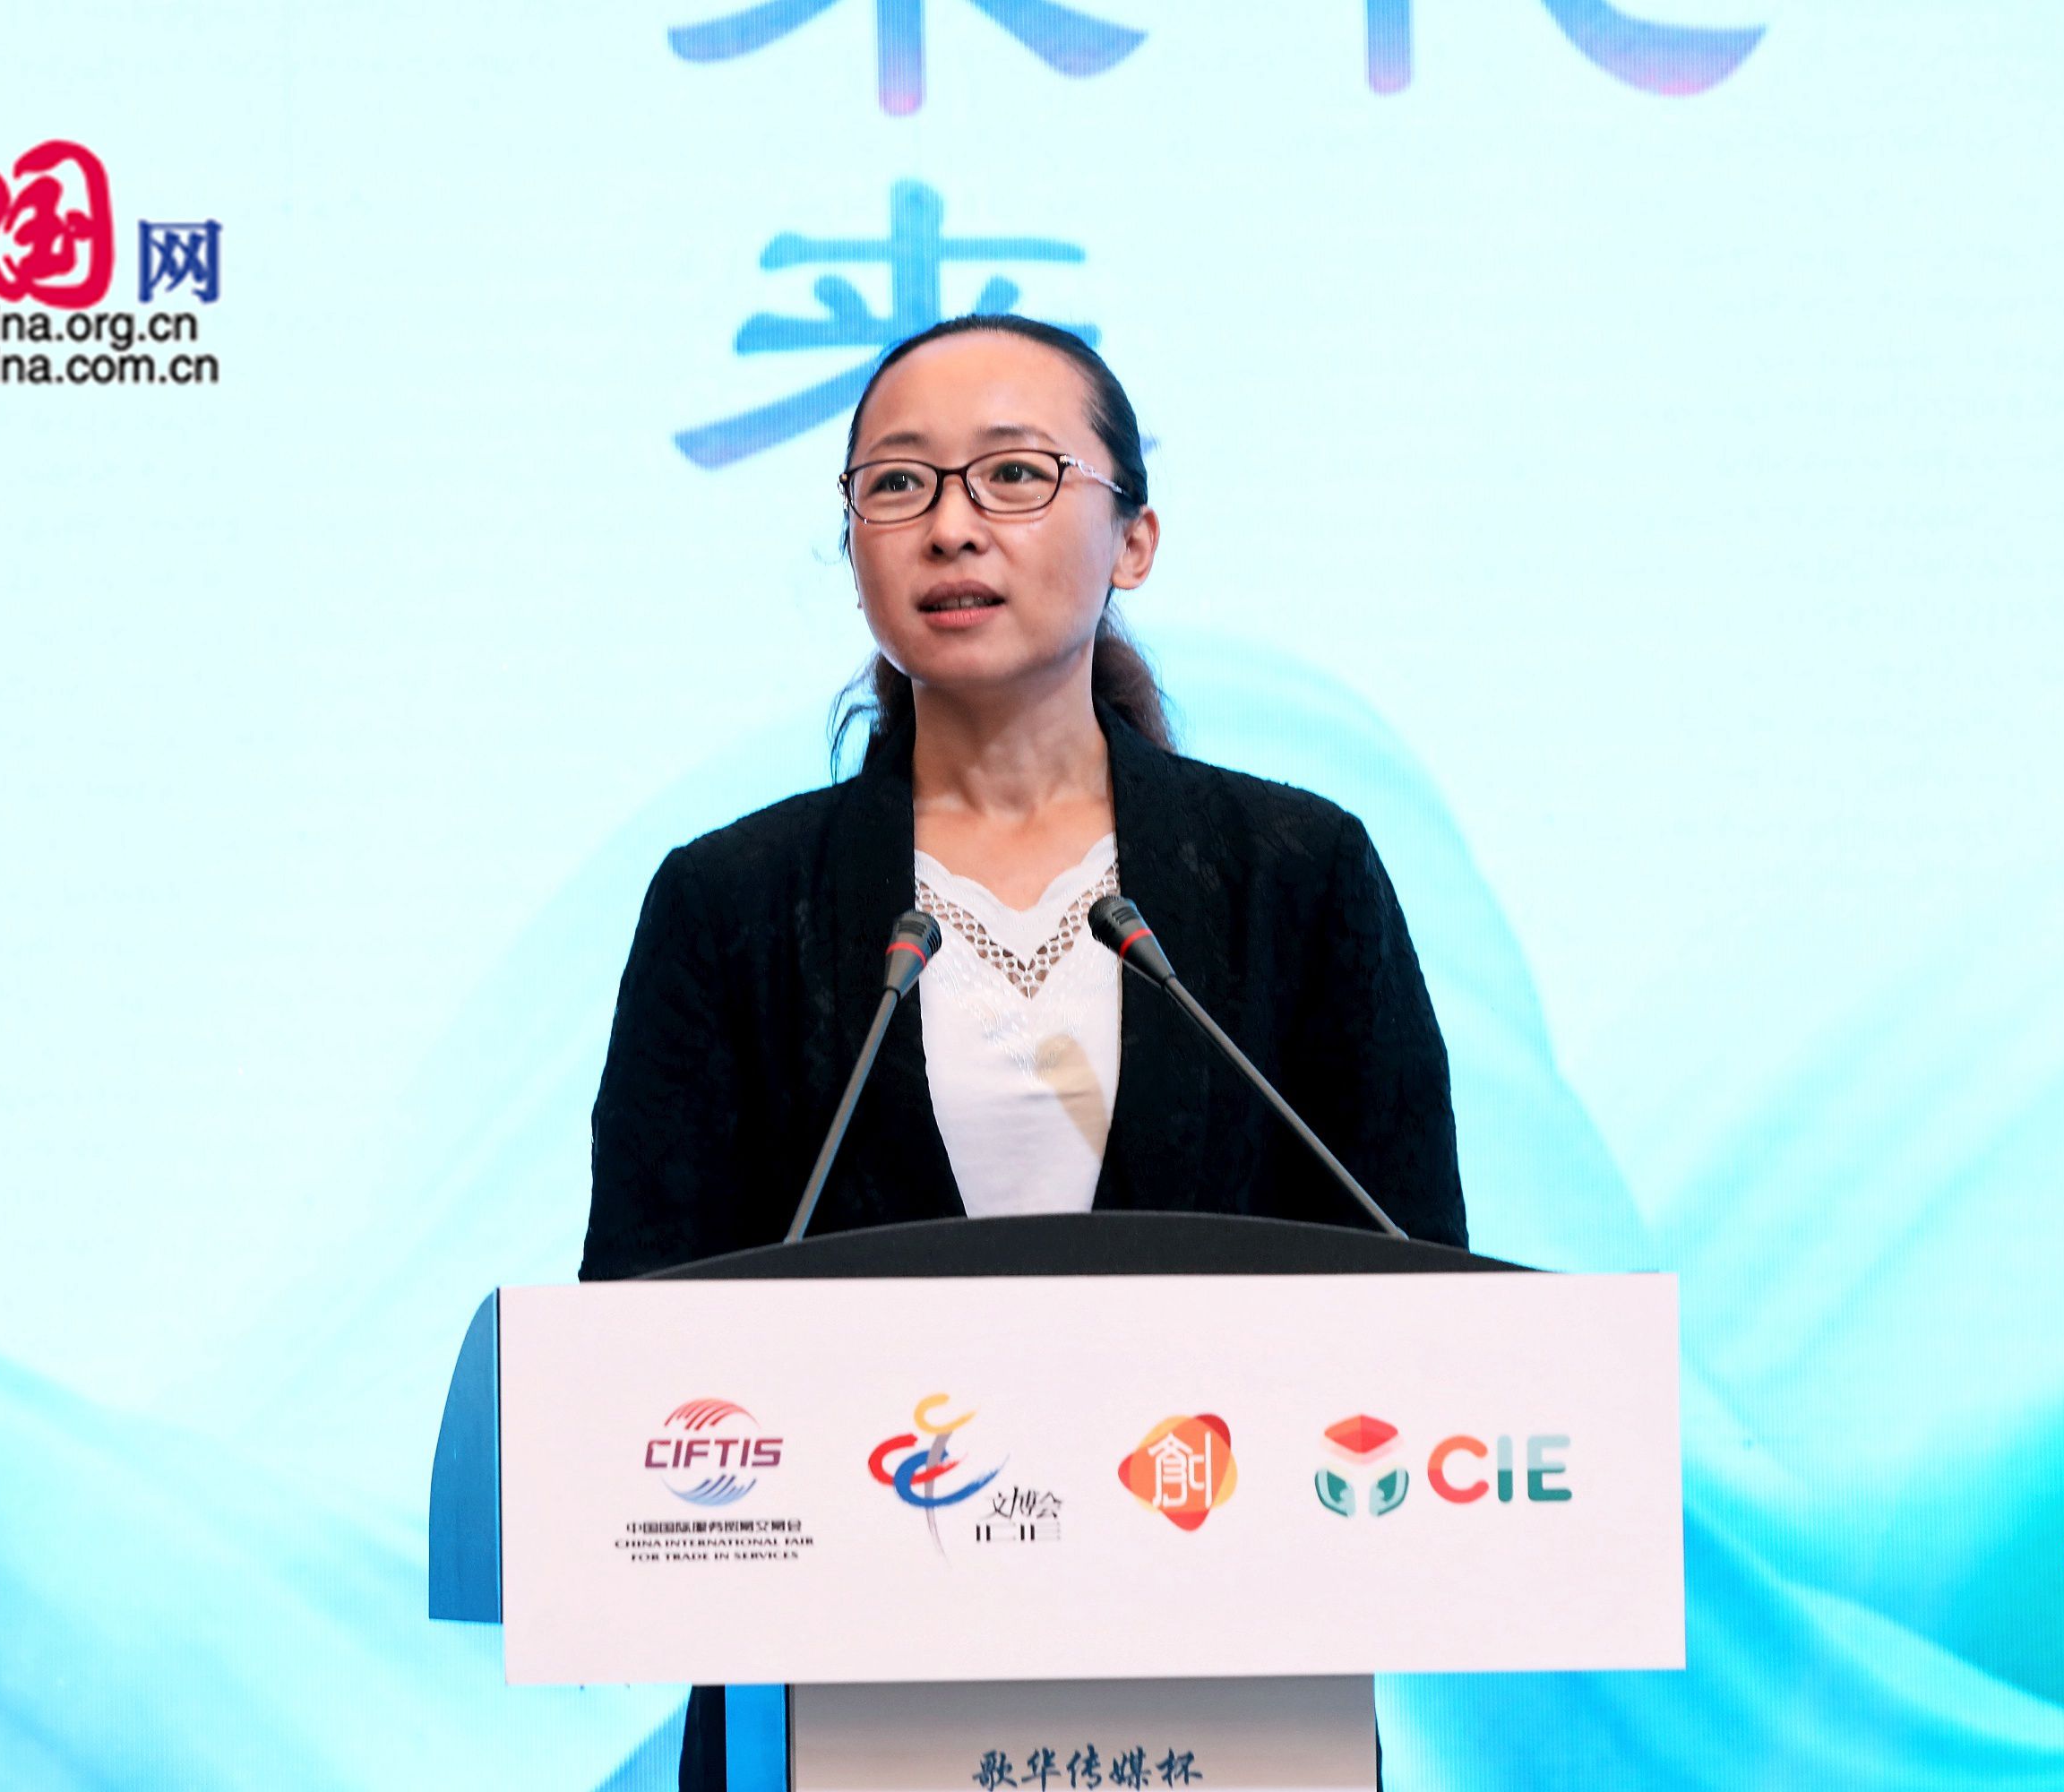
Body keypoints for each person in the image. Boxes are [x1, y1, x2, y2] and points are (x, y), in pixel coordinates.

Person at [577, 314, 1466, 1787]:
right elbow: (638, 1325)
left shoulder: (1295, 873)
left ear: (1135, 541)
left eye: (1014, 475)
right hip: (845, 1681)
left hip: (1222, 1673)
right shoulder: (731, 903)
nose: (951, 527)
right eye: (897, 485)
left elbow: (1412, 1279)